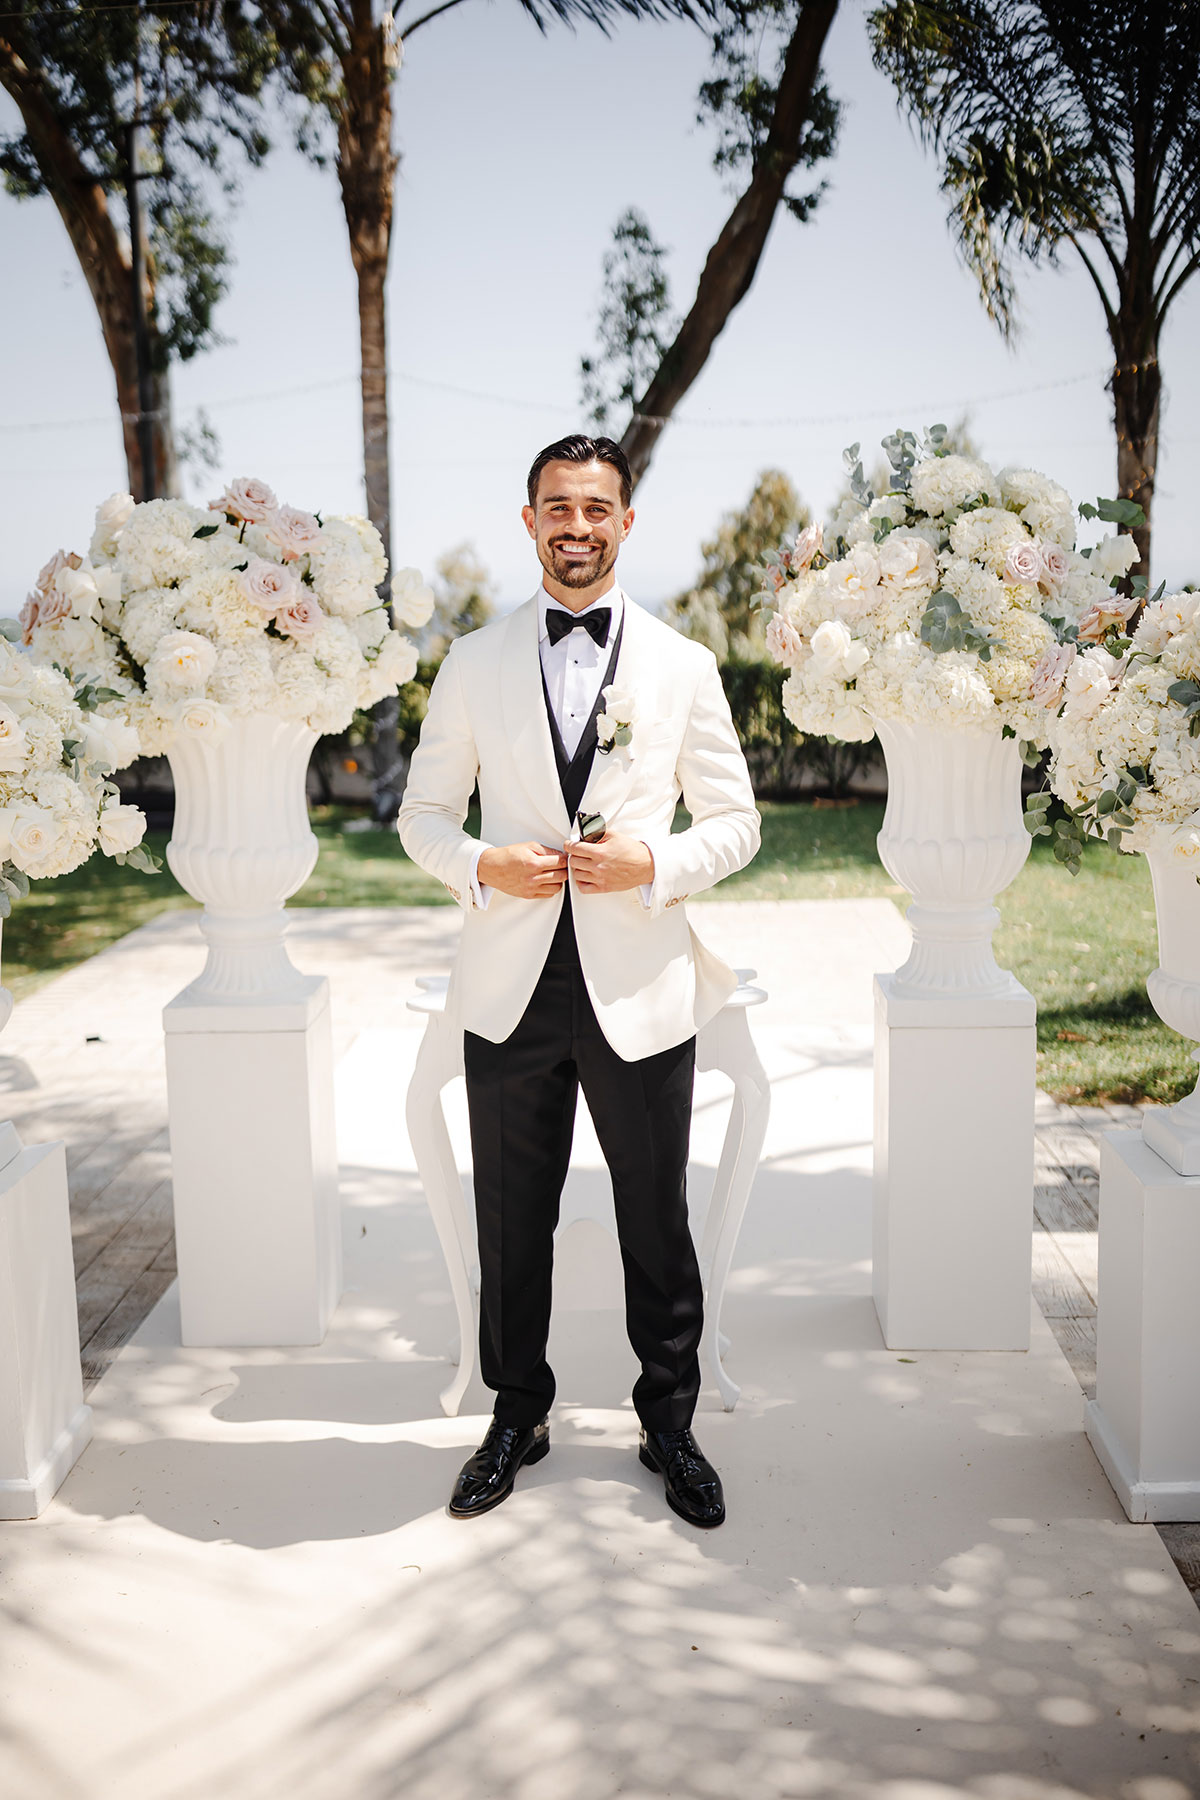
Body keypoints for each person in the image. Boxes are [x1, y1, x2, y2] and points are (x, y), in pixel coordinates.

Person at [397, 434, 760, 1527]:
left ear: (626, 523)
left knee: (657, 1213)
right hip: (510, 981)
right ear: (530, 521)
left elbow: (738, 824)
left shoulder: (683, 666)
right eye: (558, 507)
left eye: (597, 509)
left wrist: (658, 864)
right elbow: (420, 817)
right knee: (514, 1217)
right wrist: (478, 865)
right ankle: (517, 1415)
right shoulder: (471, 662)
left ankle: (670, 1424)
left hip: (641, 980)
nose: (578, 527)